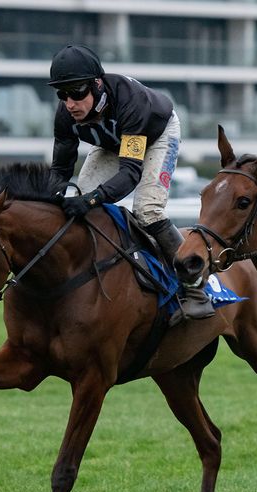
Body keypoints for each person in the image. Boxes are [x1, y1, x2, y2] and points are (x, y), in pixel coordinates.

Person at [47, 43, 213, 322]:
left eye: (77, 93)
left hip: (157, 135)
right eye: (62, 94)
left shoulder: (129, 101)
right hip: (114, 143)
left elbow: (130, 173)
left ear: (97, 84)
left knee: (147, 210)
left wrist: (90, 200)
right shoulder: (65, 115)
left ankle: (194, 286)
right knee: (81, 204)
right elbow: (60, 170)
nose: (70, 103)